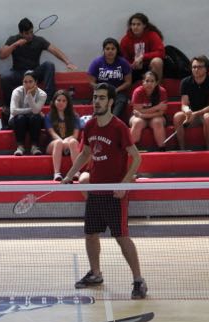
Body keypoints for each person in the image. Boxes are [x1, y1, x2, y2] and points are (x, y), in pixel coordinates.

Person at [61, 83, 147, 300]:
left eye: (101, 98)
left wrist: (123, 184)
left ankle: (138, 280)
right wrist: (69, 175)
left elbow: (136, 158)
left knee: (121, 237)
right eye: (94, 97)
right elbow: (85, 154)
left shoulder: (119, 128)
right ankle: (95, 274)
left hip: (115, 193)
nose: (96, 101)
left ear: (110, 102)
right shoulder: (89, 126)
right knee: (91, 233)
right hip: (96, 189)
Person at [0, 17, 77, 109]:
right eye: (27, 33)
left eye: (31, 32)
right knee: (4, 77)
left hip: (34, 73)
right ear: (21, 33)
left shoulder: (38, 40)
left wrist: (68, 62)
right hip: (18, 72)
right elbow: (2, 56)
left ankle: (49, 100)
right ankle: (9, 105)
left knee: (49, 65)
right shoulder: (13, 39)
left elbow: (54, 50)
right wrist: (15, 45)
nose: (30, 35)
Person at [172, 55, 209, 150]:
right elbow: (184, 104)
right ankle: (182, 149)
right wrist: (187, 110)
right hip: (195, 114)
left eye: (199, 67)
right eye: (194, 67)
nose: (196, 69)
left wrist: (195, 113)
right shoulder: (185, 82)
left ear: (206, 69)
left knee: (207, 117)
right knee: (177, 116)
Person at [87, 38, 132, 118]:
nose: (110, 51)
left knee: (121, 100)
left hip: (118, 91)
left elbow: (128, 82)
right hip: (101, 91)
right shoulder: (96, 62)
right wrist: (101, 89)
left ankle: (112, 119)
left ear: (116, 50)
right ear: (103, 50)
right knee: (100, 100)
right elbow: (91, 82)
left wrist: (116, 90)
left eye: (113, 49)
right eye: (107, 49)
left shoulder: (123, 62)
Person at [45, 89, 83, 181]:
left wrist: (66, 141)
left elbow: (75, 135)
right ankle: (57, 173)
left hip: (69, 143)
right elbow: (52, 133)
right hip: (53, 145)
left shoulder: (75, 116)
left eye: (64, 100)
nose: (61, 103)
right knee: (58, 142)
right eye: (58, 100)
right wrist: (62, 142)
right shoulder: (49, 116)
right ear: (54, 102)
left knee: (73, 141)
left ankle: (76, 171)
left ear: (67, 103)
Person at [10, 70, 47, 156]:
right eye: (25, 82)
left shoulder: (42, 94)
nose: (27, 84)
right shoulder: (17, 91)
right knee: (21, 117)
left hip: (33, 120)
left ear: (36, 82)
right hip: (17, 119)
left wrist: (29, 95)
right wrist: (31, 110)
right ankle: (20, 147)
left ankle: (34, 146)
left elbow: (35, 112)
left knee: (36, 117)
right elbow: (13, 111)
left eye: (30, 81)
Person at [120, 12, 165, 82]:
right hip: (133, 68)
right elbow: (123, 58)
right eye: (133, 24)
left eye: (138, 24)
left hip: (149, 66)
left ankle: (156, 87)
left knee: (157, 61)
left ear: (144, 25)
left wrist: (142, 57)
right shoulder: (125, 40)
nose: (135, 27)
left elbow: (161, 52)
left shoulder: (152, 35)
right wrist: (132, 64)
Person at [129, 70, 168, 149]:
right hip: (139, 117)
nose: (149, 84)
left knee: (157, 122)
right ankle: (130, 149)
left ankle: (162, 149)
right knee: (137, 122)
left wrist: (143, 114)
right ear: (143, 82)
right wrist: (156, 107)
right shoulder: (137, 91)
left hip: (156, 116)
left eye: (152, 81)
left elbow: (160, 113)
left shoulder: (162, 91)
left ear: (156, 83)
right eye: (147, 81)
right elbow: (136, 110)